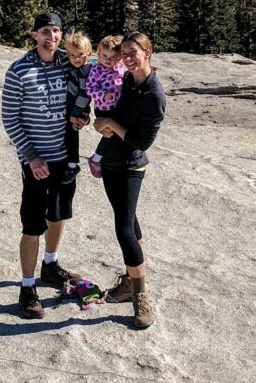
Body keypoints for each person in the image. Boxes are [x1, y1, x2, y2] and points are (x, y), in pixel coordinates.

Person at [1, 12, 85, 319]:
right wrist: (31, 156)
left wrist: (82, 117)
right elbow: (10, 118)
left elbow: (85, 93)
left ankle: (50, 266)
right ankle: (27, 286)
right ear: (34, 35)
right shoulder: (19, 70)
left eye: (57, 31)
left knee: (58, 213)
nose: (52, 36)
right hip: (37, 160)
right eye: (46, 31)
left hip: (64, 157)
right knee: (32, 223)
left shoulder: (68, 62)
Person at [93, 32, 166, 329]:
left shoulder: (154, 95)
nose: (127, 57)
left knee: (124, 228)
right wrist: (103, 123)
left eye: (133, 51)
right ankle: (128, 282)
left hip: (130, 166)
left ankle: (140, 295)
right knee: (129, 221)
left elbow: (141, 141)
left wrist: (110, 124)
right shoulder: (126, 80)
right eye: (124, 53)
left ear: (147, 52)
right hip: (111, 162)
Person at [84, 34, 126, 178]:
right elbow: (89, 88)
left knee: (119, 132)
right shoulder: (96, 70)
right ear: (98, 54)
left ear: (119, 57)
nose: (108, 60)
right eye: (105, 56)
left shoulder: (120, 69)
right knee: (109, 133)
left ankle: (108, 157)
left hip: (118, 108)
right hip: (103, 109)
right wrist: (102, 94)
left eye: (113, 57)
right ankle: (96, 159)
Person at [62, 31, 94, 184]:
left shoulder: (86, 72)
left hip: (77, 106)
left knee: (71, 133)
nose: (76, 59)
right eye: (72, 55)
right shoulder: (72, 64)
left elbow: (84, 95)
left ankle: (72, 165)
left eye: (80, 55)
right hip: (70, 104)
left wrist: (75, 113)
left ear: (89, 53)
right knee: (66, 132)